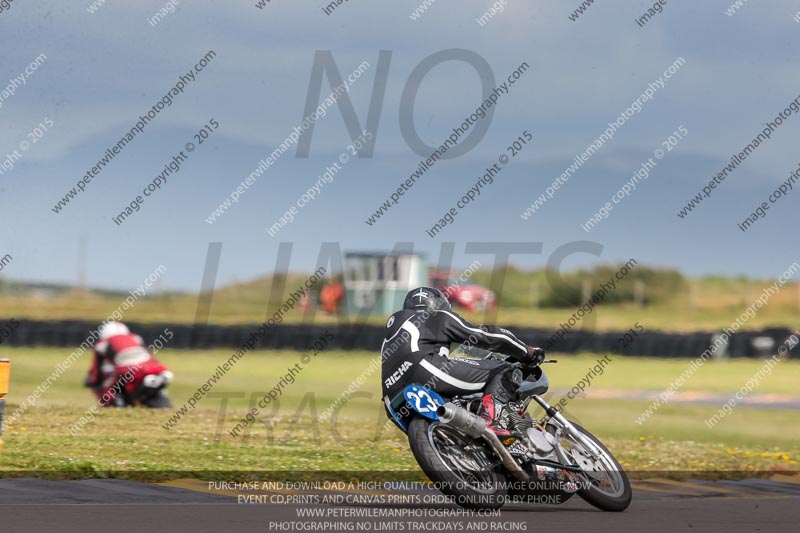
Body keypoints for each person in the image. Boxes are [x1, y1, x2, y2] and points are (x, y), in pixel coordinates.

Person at [381, 287, 545, 437]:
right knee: (504, 369)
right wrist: (527, 352)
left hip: (392, 398)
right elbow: (484, 335)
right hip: (426, 370)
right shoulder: (437, 316)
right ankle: (494, 421)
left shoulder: (397, 329)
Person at [84, 321, 170, 407]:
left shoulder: (102, 344)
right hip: (151, 367)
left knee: (108, 392)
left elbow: (96, 370)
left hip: (126, 370)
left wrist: (92, 381)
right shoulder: (136, 338)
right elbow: (150, 356)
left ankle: (117, 406)